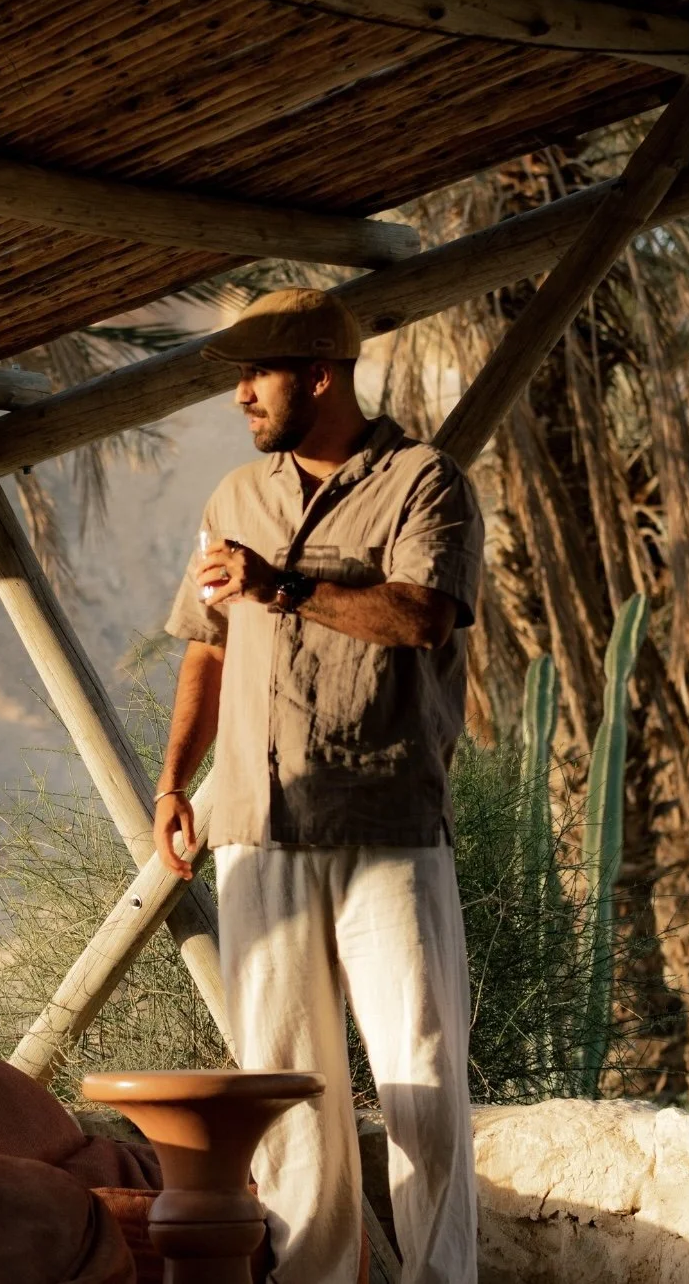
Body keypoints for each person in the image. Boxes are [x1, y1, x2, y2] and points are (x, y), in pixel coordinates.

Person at [155, 287, 483, 1284]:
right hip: (256, 828)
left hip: (384, 823)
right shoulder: (231, 499)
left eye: (256, 374)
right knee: (284, 1098)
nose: (240, 396)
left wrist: (282, 586)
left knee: (422, 1080)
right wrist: (173, 783)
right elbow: (208, 647)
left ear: (319, 374)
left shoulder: (424, 482)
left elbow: (421, 617)